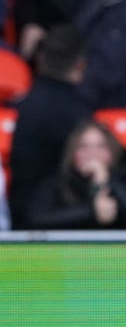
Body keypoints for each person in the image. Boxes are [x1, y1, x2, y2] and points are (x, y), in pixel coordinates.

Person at [9, 23, 91, 230]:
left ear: (40, 60)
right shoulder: (79, 114)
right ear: (80, 65)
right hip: (60, 219)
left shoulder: (23, 106)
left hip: (18, 216)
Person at [23, 119, 126, 229]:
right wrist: (91, 212)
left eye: (100, 146)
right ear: (73, 153)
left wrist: (106, 181)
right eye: (83, 147)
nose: (92, 153)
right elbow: (36, 219)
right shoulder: (57, 183)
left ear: (112, 152)